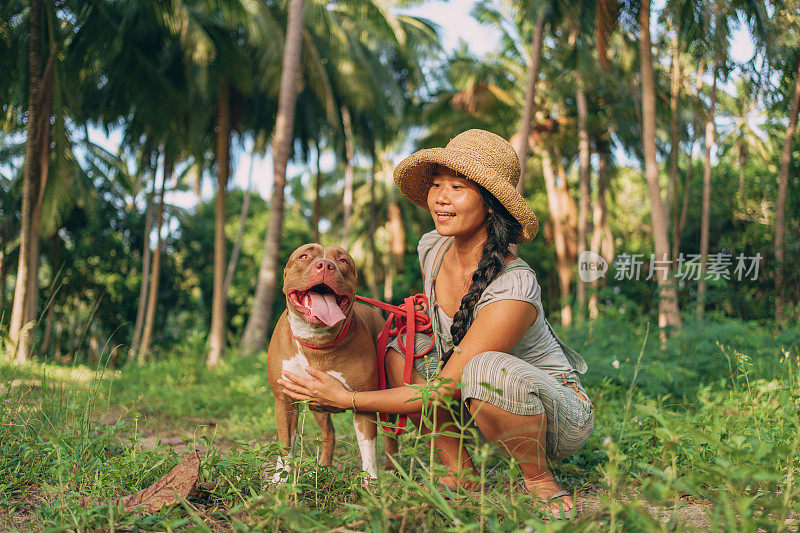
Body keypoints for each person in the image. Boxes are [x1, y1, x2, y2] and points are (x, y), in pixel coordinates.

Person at [278, 129, 594, 518]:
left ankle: (540, 479)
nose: (441, 196)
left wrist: (348, 400)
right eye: (437, 184)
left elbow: (446, 389)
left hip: (556, 414)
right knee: (400, 348)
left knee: (483, 368)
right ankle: (461, 472)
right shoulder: (433, 247)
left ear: (491, 204)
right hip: (475, 398)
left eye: (457, 187)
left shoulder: (515, 285)